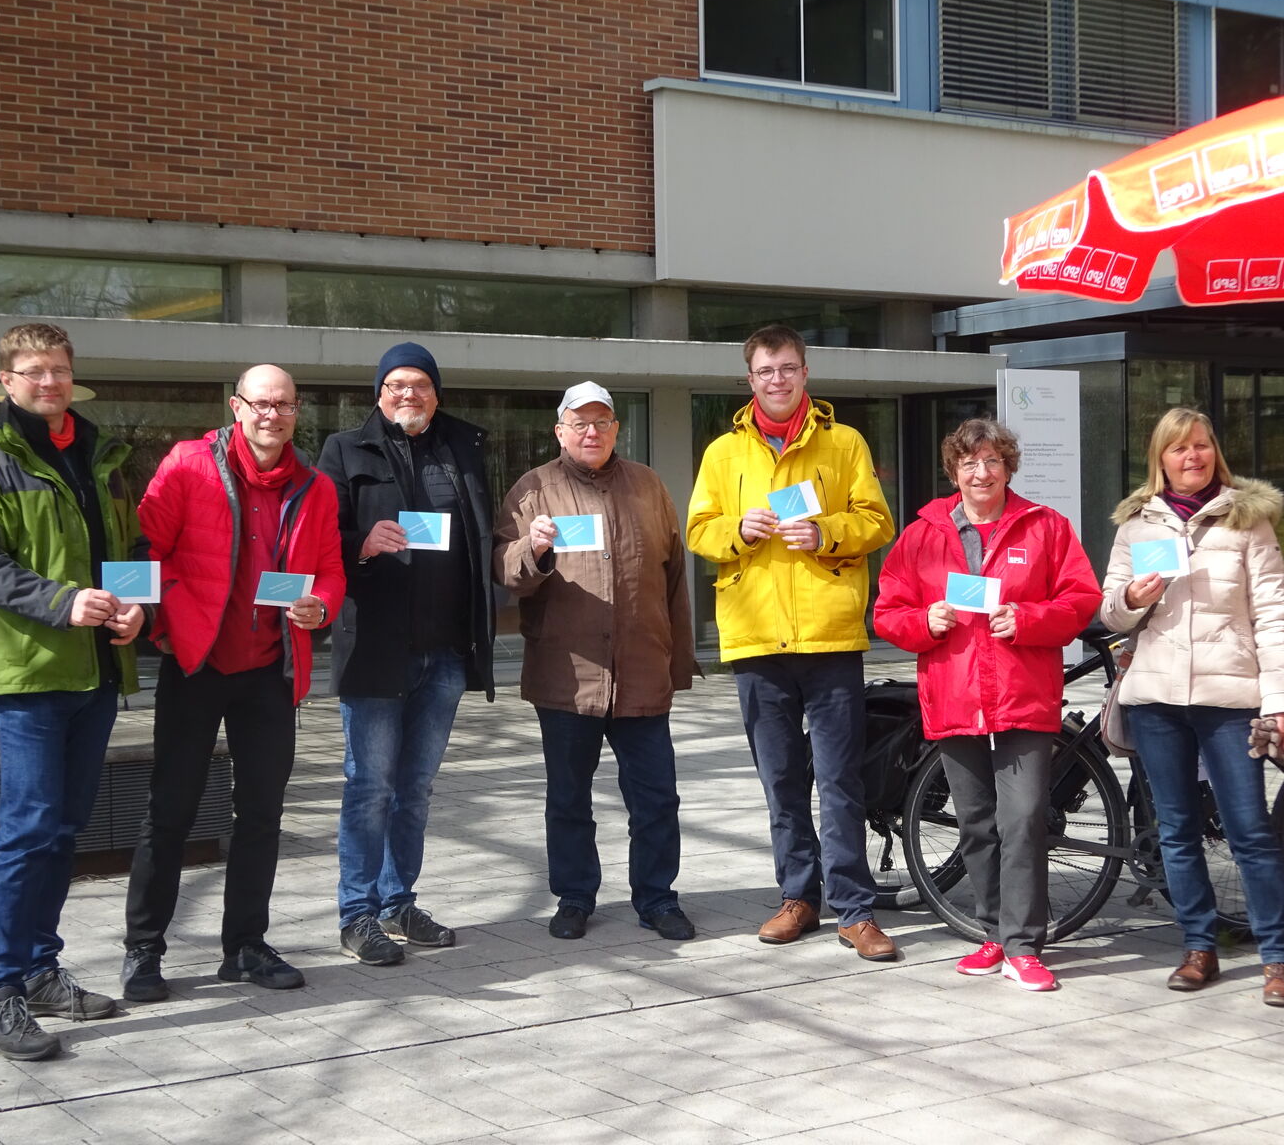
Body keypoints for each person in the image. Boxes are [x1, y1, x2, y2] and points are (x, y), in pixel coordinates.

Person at [0, 323, 144, 1060]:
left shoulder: (99, 454)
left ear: (72, 375)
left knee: (62, 830)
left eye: (58, 369)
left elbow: (123, 551)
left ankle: (37, 968)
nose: (48, 382)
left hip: (94, 672)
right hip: (27, 673)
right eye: (32, 371)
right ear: (6, 380)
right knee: (26, 830)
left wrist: (133, 604)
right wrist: (64, 603)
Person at [120, 364, 344, 999]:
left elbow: (329, 571)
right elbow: (146, 548)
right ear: (236, 407)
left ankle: (244, 946)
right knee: (171, 811)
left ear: (296, 412)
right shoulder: (190, 463)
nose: (272, 415)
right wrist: (145, 619)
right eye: (260, 404)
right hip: (196, 662)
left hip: (271, 670)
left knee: (262, 817)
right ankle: (144, 950)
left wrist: (319, 607)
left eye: (285, 405)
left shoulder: (316, 488)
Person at [686, 324, 897, 961]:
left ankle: (855, 910)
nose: (777, 380)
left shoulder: (845, 443)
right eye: (765, 371)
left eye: (787, 369)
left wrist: (828, 532)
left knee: (839, 781)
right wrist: (737, 529)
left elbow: (876, 520)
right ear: (749, 381)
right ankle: (797, 897)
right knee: (780, 780)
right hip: (755, 640)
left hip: (829, 636)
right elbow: (697, 529)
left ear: (805, 374)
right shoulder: (724, 453)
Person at [873, 419, 1100, 992]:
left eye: (993, 462)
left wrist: (1029, 620)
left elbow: (1081, 598)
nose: (982, 472)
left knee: (1022, 820)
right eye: (970, 463)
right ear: (955, 471)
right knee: (976, 824)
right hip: (954, 695)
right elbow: (887, 611)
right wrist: (925, 620)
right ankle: (993, 932)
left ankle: (1025, 945)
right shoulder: (923, 533)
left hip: (1023, 695)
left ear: (1008, 468)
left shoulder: (1045, 527)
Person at [1100, 407, 1284, 1007]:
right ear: (1159, 459)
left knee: (1250, 832)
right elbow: (1110, 610)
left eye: (1202, 446)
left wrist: (1282, 699)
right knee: (1177, 831)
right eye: (1179, 449)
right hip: (1158, 699)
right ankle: (1198, 947)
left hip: (1229, 699)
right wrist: (1132, 598)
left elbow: (1273, 615)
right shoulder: (1137, 524)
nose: (1193, 457)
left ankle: (1277, 958)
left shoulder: (1249, 520)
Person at [495, 381, 696, 942]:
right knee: (568, 799)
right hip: (568, 675)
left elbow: (673, 576)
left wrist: (677, 660)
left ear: (616, 430)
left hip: (641, 674)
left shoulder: (648, 485)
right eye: (579, 423)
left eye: (601, 422)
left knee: (656, 799)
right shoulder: (533, 489)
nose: (591, 432)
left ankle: (657, 898)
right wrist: (530, 551)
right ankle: (575, 896)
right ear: (559, 430)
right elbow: (504, 570)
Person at [319, 342, 495, 966]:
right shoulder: (344, 450)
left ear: (437, 393)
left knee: (414, 789)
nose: (408, 395)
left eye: (420, 385)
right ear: (378, 394)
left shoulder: (462, 450)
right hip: (374, 647)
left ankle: (398, 902)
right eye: (396, 385)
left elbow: (481, 536)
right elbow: (320, 535)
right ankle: (357, 913)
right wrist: (361, 543)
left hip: (445, 651)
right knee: (368, 787)